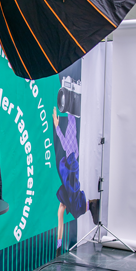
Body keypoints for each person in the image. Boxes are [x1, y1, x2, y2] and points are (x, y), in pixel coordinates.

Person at [52, 106, 99, 254]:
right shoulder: (71, 132)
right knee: (63, 208)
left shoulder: (71, 131)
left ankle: (91, 204)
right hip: (69, 168)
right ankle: (59, 244)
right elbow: (65, 142)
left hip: (70, 169)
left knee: (72, 205)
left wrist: (57, 127)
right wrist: (58, 127)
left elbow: (66, 142)